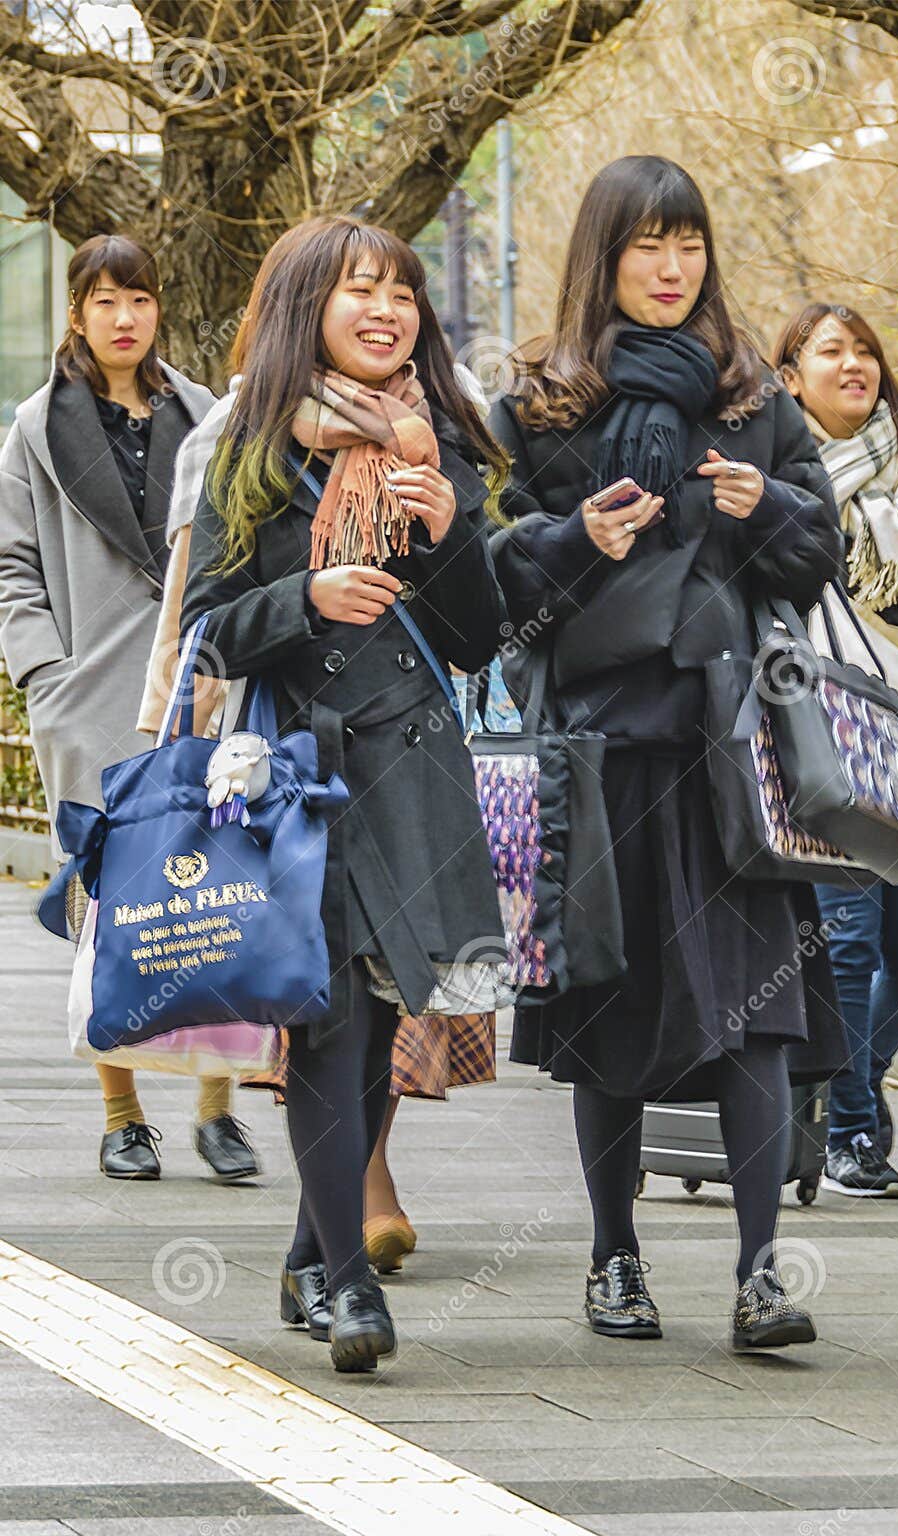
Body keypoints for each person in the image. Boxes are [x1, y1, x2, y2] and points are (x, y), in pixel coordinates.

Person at [489, 155, 845, 1349]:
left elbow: (820, 552)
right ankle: (613, 1258)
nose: (670, 266)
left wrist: (770, 511)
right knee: (611, 1008)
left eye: (687, 242)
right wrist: (569, 535)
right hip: (601, 752)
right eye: (645, 244)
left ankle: (758, 1276)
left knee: (757, 1011)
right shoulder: (541, 406)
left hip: (735, 745)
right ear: (604, 255)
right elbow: (488, 578)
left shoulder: (753, 396)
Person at [184, 214, 507, 1372]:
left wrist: (445, 530)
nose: (386, 311)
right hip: (299, 778)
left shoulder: (442, 452)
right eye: (359, 290)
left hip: (412, 776)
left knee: (378, 1030)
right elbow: (210, 627)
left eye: (402, 293)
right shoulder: (256, 451)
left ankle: (312, 1251)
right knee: (331, 1026)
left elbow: (476, 642)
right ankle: (350, 1282)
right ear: (305, 308)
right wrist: (307, 597)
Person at [0, 233, 259, 1185]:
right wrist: (46, 677)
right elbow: (9, 565)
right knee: (107, 906)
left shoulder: (208, 413)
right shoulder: (36, 425)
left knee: (217, 895)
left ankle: (218, 1108)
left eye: (138, 299)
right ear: (77, 313)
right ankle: (122, 1112)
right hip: (92, 695)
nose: (122, 317)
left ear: (157, 309)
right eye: (103, 300)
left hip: (201, 682)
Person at [773, 301, 898, 1199]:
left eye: (865, 351)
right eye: (830, 351)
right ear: (790, 375)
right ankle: (852, 1131)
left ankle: (841, 1081)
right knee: (848, 938)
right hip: (829, 733)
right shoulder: (778, 473)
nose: (853, 364)